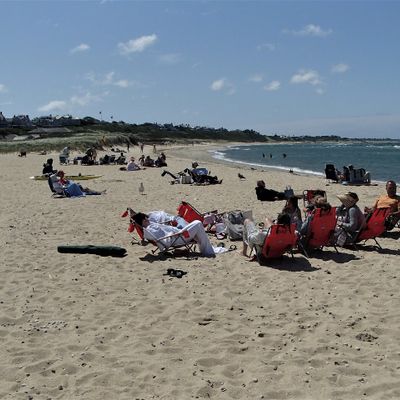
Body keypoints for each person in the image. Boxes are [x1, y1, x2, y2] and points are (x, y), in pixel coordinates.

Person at [133, 212, 215, 257]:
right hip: (178, 237)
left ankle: (206, 249)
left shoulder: (150, 226)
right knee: (198, 223)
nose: (148, 219)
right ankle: (207, 251)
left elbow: (161, 233)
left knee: (187, 222)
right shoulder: (150, 229)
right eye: (146, 219)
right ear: (144, 220)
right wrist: (174, 233)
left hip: (178, 234)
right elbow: (165, 239)